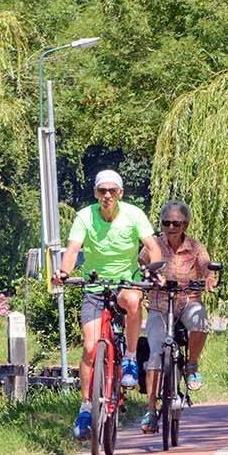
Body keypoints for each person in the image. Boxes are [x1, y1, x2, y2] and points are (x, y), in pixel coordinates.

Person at [54, 169, 164, 440]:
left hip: (126, 282)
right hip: (95, 286)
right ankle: (85, 408)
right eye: (102, 191)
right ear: (95, 193)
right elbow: (72, 250)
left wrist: (155, 269)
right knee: (91, 348)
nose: (107, 195)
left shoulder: (134, 215)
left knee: (132, 299)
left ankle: (129, 359)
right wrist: (64, 273)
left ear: (120, 194)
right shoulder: (84, 216)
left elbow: (152, 247)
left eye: (112, 191)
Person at [137, 201, 216, 433]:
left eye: (176, 223)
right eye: (166, 222)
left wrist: (210, 279)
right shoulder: (154, 245)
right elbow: (142, 264)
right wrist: (147, 276)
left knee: (200, 319)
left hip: (188, 300)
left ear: (185, 225)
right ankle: (150, 409)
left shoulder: (195, 247)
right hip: (159, 305)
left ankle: (191, 365)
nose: (170, 227)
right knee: (154, 354)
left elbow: (207, 267)